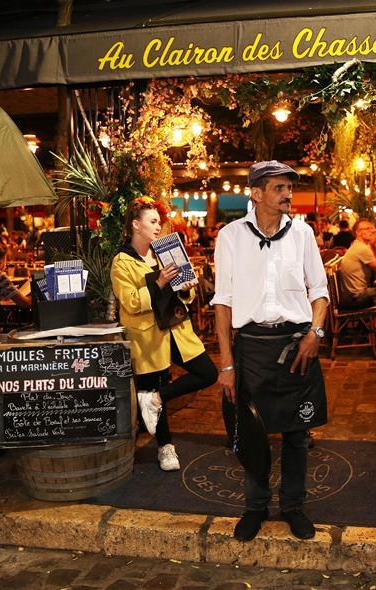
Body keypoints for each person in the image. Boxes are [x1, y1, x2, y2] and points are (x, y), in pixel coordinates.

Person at [212, 160, 329, 542]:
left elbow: (320, 292)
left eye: (288, 188)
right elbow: (223, 303)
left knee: (297, 434)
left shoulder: (303, 234)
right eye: (279, 188)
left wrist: (315, 332)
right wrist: (226, 362)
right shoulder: (230, 237)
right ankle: (255, 507)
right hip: (252, 349)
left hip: (297, 345)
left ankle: (293, 506)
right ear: (257, 193)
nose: (287, 195)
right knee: (252, 431)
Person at [111, 197, 218, 471]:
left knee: (207, 373)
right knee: (153, 385)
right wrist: (159, 281)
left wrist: (186, 286)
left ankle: (156, 398)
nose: (159, 227)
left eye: (159, 221)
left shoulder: (163, 253)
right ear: (136, 225)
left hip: (175, 329)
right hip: (147, 336)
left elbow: (186, 295)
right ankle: (165, 447)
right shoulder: (121, 262)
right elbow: (131, 301)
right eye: (153, 221)